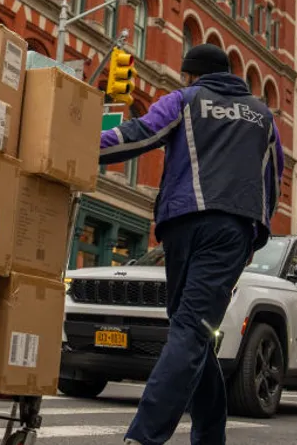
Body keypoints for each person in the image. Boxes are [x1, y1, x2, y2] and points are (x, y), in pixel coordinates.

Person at [99, 43, 283, 445]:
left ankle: (144, 437)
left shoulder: (185, 100)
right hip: (232, 230)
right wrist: (256, 236)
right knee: (194, 330)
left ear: (192, 75)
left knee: (189, 328)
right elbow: (272, 183)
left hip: (183, 224)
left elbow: (138, 134)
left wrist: (79, 143)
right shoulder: (263, 116)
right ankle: (209, 434)